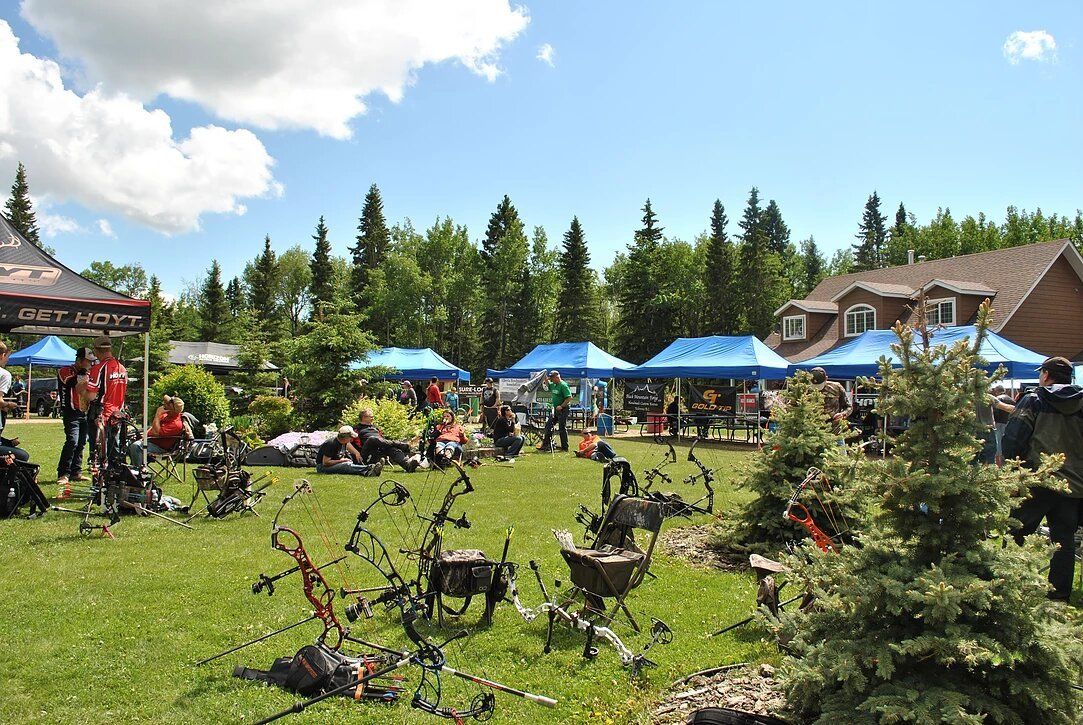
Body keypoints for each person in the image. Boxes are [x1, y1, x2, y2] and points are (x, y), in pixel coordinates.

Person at [1002, 356, 1083, 602]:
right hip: (1073, 485)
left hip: (1037, 480)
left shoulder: (1034, 399)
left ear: (1046, 375)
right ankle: (1058, 597)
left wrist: (1015, 470)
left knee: (1015, 533)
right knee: (1064, 542)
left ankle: (1006, 586)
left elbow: (1014, 438)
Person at [83, 335, 129, 464]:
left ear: (97, 351)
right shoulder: (122, 368)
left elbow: (91, 396)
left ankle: (99, 481)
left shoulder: (98, 368)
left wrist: (81, 391)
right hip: (117, 414)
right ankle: (114, 477)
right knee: (114, 449)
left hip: (101, 415)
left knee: (97, 453)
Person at [56, 347, 95, 493]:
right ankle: (63, 473)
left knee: (81, 442)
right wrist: (85, 374)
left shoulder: (88, 373)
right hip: (70, 412)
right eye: (88, 361)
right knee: (72, 440)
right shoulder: (65, 371)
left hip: (84, 411)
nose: (90, 364)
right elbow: (71, 382)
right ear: (79, 360)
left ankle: (75, 472)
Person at [128, 395, 194, 466]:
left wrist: (157, 414)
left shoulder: (176, 424)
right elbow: (153, 427)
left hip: (161, 448)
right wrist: (145, 435)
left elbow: (156, 433)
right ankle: (128, 470)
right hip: (150, 441)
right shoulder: (166, 415)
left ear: (173, 409)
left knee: (136, 446)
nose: (164, 405)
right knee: (126, 443)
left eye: (168, 405)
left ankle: (137, 471)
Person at [354, 407, 424, 472]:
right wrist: (356, 453)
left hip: (378, 449)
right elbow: (351, 443)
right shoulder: (357, 428)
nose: (373, 418)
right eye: (371, 417)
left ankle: (408, 466)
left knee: (391, 448)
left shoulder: (375, 428)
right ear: (364, 417)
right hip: (366, 452)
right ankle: (401, 444)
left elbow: (382, 440)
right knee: (372, 439)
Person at [316, 426, 382, 476]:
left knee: (349, 463)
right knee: (346, 465)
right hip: (322, 467)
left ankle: (370, 470)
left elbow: (347, 447)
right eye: (351, 437)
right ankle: (369, 469)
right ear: (345, 437)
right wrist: (342, 460)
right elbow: (326, 462)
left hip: (332, 464)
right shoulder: (331, 444)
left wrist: (356, 453)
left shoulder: (344, 442)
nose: (352, 439)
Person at [809, 367, 852, 441]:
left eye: (820, 385)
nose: (817, 389)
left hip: (834, 430)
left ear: (826, 378)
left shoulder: (836, 387)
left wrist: (842, 414)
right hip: (811, 432)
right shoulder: (805, 389)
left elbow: (849, 407)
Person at [0, 342, 27, 461]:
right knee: (23, 457)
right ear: (2, 355)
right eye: (7, 357)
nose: (7, 360)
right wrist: (8, 405)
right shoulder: (4, 374)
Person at [538, 370, 573, 452]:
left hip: (563, 409)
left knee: (562, 427)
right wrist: (545, 378)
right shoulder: (553, 384)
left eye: (552, 378)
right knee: (548, 425)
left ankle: (565, 447)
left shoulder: (563, 385)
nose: (551, 380)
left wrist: (561, 406)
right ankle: (546, 445)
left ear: (557, 377)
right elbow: (548, 385)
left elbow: (569, 397)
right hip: (555, 410)